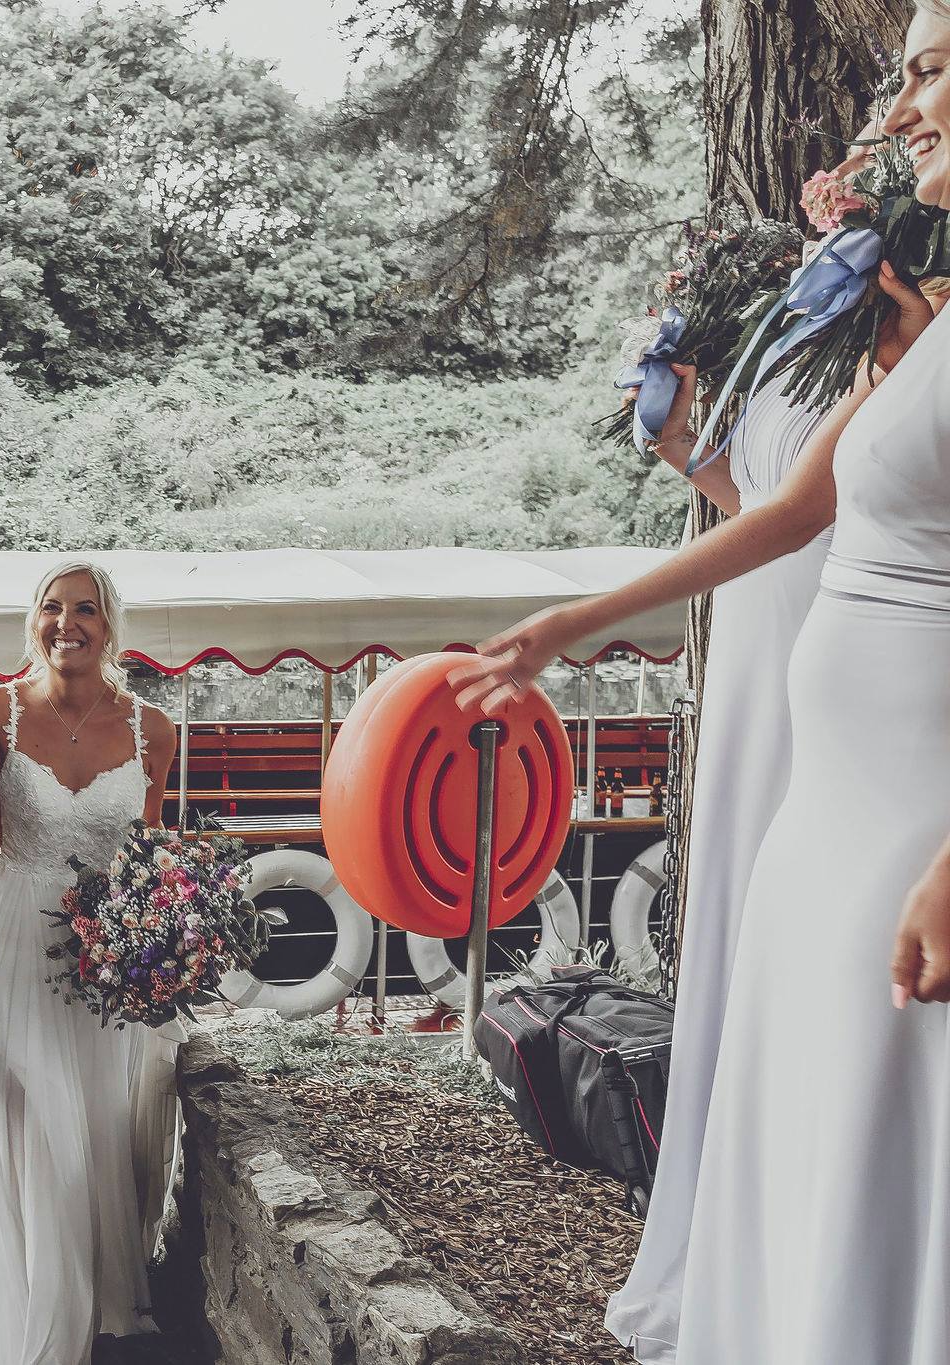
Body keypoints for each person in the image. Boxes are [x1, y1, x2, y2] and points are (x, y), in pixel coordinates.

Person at [455, 9, 950, 1356]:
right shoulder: (928, 327)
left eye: (928, 72)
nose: (900, 113)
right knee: (804, 1126)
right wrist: (572, 618)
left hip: (920, 811)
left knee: (886, 1138)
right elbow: (790, 513)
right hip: (826, 814)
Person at [0, 561, 181, 1365]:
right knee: (30, 1125)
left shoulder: (153, 729)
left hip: (100, 957)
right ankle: (42, 1323)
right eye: (53, 608)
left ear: (110, 625)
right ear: (34, 620)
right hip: (5, 942)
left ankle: (89, 1305)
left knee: (90, 1126)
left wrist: (171, 934)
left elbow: (150, 855)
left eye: (86, 610)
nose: (68, 623)